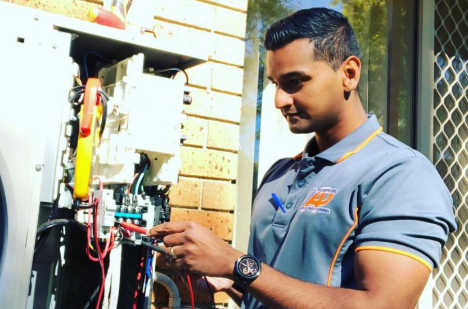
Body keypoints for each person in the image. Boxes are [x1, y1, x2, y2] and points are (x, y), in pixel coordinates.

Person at [149, 7, 456, 309]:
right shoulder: (279, 175)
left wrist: (236, 264)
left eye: (295, 82)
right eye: (275, 84)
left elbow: (384, 305)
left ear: (349, 74)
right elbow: (275, 290)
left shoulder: (401, 175)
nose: (280, 100)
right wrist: (228, 281)